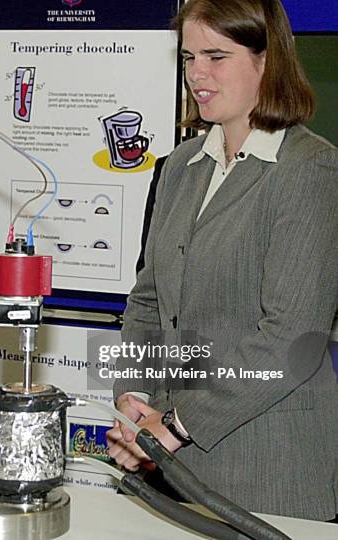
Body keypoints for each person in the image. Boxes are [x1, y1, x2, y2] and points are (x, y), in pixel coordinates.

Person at [107, 0, 337, 521]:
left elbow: (291, 339)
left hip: (270, 470)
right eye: (189, 58)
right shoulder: (182, 165)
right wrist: (135, 395)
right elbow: (148, 301)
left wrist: (175, 426)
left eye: (217, 56)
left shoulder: (310, 169)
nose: (197, 75)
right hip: (170, 469)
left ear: (267, 61)